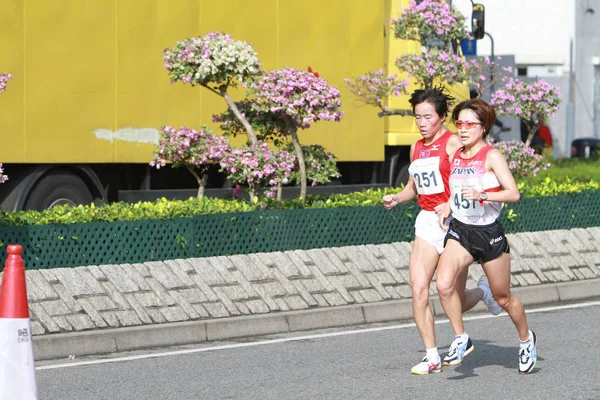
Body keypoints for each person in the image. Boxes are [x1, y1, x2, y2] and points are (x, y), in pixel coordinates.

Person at [382, 88, 501, 375]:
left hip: (455, 222)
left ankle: (484, 291)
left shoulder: (452, 144)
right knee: (418, 289)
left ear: (442, 117)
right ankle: (432, 356)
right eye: (417, 117)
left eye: (428, 117)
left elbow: (470, 178)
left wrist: (451, 203)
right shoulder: (416, 147)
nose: (422, 123)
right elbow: (413, 188)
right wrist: (398, 197)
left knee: (453, 298)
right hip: (427, 221)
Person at [435, 99, 537, 374]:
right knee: (443, 285)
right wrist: (448, 205)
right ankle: (461, 338)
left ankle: (526, 340)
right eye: (459, 123)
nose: (463, 129)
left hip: (489, 233)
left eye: (470, 124)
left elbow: (513, 193)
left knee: (503, 298)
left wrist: (482, 195)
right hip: (461, 230)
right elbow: (457, 191)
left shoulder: (491, 156)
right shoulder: (457, 155)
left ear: (484, 126)